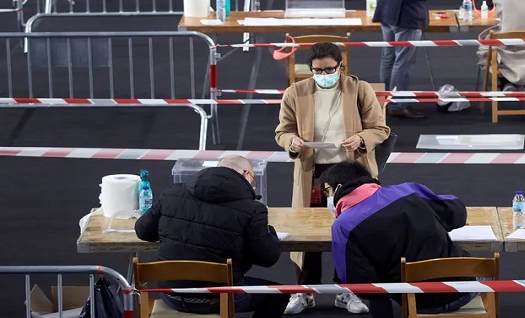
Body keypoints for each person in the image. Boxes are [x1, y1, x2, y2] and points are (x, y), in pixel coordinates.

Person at [274, 42, 390, 315]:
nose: (323, 74)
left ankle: (346, 291)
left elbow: (380, 128)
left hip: (351, 173)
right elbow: (283, 131)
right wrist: (292, 142)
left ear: (341, 67)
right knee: (305, 232)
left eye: (328, 69)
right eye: (316, 70)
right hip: (312, 172)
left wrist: (361, 138)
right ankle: (305, 292)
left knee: (351, 232)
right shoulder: (295, 92)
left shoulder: (359, 89)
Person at [134, 155, 288, 318]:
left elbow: (143, 231)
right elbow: (267, 258)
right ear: (246, 174)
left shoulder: (172, 193)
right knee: (279, 294)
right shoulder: (252, 210)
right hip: (219, 297)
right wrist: (269, 231)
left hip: (171, 294)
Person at [321, 161, 479, 318]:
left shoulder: (343, 226)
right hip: (464, 287)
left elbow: (356, 281)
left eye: (327, 191)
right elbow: (456, 212)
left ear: (339, 188)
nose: (327, 197)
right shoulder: (408, 191)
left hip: (417, 301)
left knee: (378, 287)